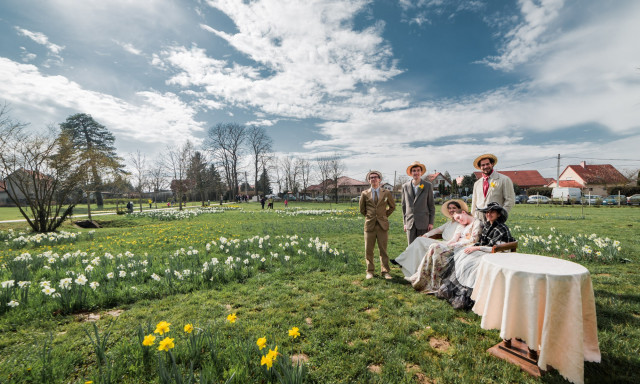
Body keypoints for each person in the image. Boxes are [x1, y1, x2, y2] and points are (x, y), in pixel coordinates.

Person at [437, 202, 515, 310]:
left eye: (492, 212)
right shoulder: (488, 225)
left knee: (471, 264)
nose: (489, 214)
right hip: (486, 251)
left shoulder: (501, 228)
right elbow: (481, 242)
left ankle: (467, 297)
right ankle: (450, 291)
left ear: (499, 214)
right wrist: (474, 247)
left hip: (498, 254)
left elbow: (496, 247)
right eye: (487, 212)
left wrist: (477, 248)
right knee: (462, 257)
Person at [407, 209, 480, 292]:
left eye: (459, 218)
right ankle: (421, 277)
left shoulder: (476, 222)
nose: (459, 220)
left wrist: (456, 244)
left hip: (464, 247)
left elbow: (473, 240)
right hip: (456, 245)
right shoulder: (463, 225)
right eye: (457, 220)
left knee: (435, 247)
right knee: (433, 247)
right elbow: (455, 238)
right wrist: (448, 244)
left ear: (464, 212)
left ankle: (431, 281)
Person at [392, 199, 467, 277]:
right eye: (450, 208)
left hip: (448, 245)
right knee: (419, 243)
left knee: (419, 241)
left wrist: (445, 245)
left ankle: (402, 261)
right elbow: (437, 230)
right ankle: (412, 269)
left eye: (454, 208)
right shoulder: (449, 223)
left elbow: (455, 238)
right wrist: (426, 235)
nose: (451, 210)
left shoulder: (460, 223)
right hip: (443, 243)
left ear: (459, 209)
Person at [359, 170, 396, 279]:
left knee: (383, 249)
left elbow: (392, 207)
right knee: (368, 250)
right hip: (369, 225)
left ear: (380, 179)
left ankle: (385, 271)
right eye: (371, 177)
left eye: (376, 177)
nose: (373, 179)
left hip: (382, 225)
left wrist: (384, 216)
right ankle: (370, 271)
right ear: (369, 180)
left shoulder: (386, 193)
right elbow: (362, 209)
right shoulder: (364, 193)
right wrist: (370, 217)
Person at [470, 153, 515, 222]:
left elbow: (510, 200)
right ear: (480, 167)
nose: (485, 166)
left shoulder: (504, 179)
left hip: (495, 219)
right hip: (479, 219)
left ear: (492, 164)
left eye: (487, 164)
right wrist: (472, 218)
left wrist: (501, 215)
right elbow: (474, 203)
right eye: (483, 165)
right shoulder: (477, 183)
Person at [401, 161, 435, 245]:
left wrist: (431, 222)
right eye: (414, 171)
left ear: (421, 172)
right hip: (410, 223)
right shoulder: (405, 186)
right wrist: (405, 223)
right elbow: (404, 206)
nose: (416, 172)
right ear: (411, 173)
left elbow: (431, 205)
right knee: (411, 247)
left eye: (418, 170)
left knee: (422, 246)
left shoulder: (427, 185)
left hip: (423, 222)